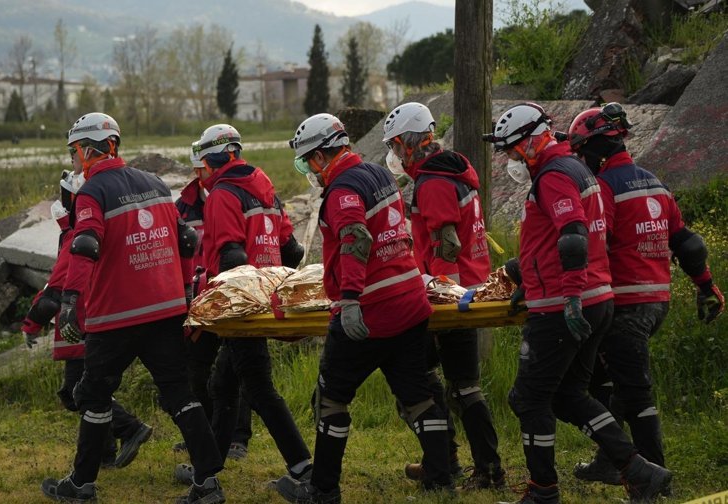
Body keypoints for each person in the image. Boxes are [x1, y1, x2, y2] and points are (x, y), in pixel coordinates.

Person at [483, 102, 673, 504]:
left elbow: (572, 234)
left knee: (528, 397)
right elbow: (555, 240)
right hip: (594, 297)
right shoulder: (576, 168)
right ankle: (639, 471)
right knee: (569, 395)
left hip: (566, 304)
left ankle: (543, 492)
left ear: (532, 141)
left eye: (512, 150)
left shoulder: (554, 176)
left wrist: (567, 294)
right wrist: (531, 280)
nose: (510, 159)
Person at [40, 112, 225, 504]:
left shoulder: (93, 191)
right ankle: (208, 483)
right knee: (178, 392)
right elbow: (187, 242)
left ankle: (81, 485)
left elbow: (86, 245)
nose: (74, 159)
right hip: (166, 308)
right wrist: (188, 295)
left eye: (75, 150)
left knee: (93, 394)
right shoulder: (155, 183)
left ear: (90, 149)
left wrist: (71, 301)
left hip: (116, 317)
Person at [276, 113, 454, 504]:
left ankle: (323, 490)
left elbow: (355, 238)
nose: (310, 170)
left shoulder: (342, 190)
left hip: (371, 309)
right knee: (418, 397)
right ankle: (442, 478)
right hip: (409, 301)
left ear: (323, 155)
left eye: (308, 161)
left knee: (331, 399)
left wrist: (352, 299)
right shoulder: (377, 174)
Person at [565, 103, 724, 484]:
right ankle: (608, 461)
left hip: (625, 305)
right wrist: (706, 287)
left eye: (582, 152)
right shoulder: (655, 183)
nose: (581, 160)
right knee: (615, 378)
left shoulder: (603, 188)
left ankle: (653, 474)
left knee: (634, 390)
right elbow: (687, 243)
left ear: (598, 148)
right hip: (657, 303)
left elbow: (591, 244)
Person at [175, 124, 312, 487]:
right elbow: (292, 251)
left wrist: (224, 301)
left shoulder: (222, 194)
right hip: (264, 297)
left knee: (259, 388)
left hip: (240, 304)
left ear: (218, 157)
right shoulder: (264, 187)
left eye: (203, 161)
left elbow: (231, 257)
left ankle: (302, 468)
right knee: (224, 383)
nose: (201, 170)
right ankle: (211, 467)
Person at [381, 101, 505, 490]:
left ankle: (478, 468)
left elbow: (446, 250)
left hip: (453, 296)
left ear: (406, 143)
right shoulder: (451, 170)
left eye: (396, 146)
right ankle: (446, 458)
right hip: (467, 288)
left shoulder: (433, 183)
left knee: (440, 383)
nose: (395, 154)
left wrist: (443, 309)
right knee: (442, 381)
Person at [22, 168, 153, 471]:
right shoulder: (99, 230)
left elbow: (54, 290)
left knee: (77, 392)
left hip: (80, 326)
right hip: (98, 321)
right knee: (90, 390)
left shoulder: (77, 237)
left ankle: (129, 428)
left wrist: (31, 323)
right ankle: (104, 454)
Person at [173, 141, 254, 461]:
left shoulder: (239, 194)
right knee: (195, 368)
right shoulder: (183, 206)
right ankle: (205, 432)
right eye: (196, 169)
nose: (200, 174)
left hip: (235, 295)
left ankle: (238, 439)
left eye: (203, 168)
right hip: (200, 300)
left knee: (238, 369)